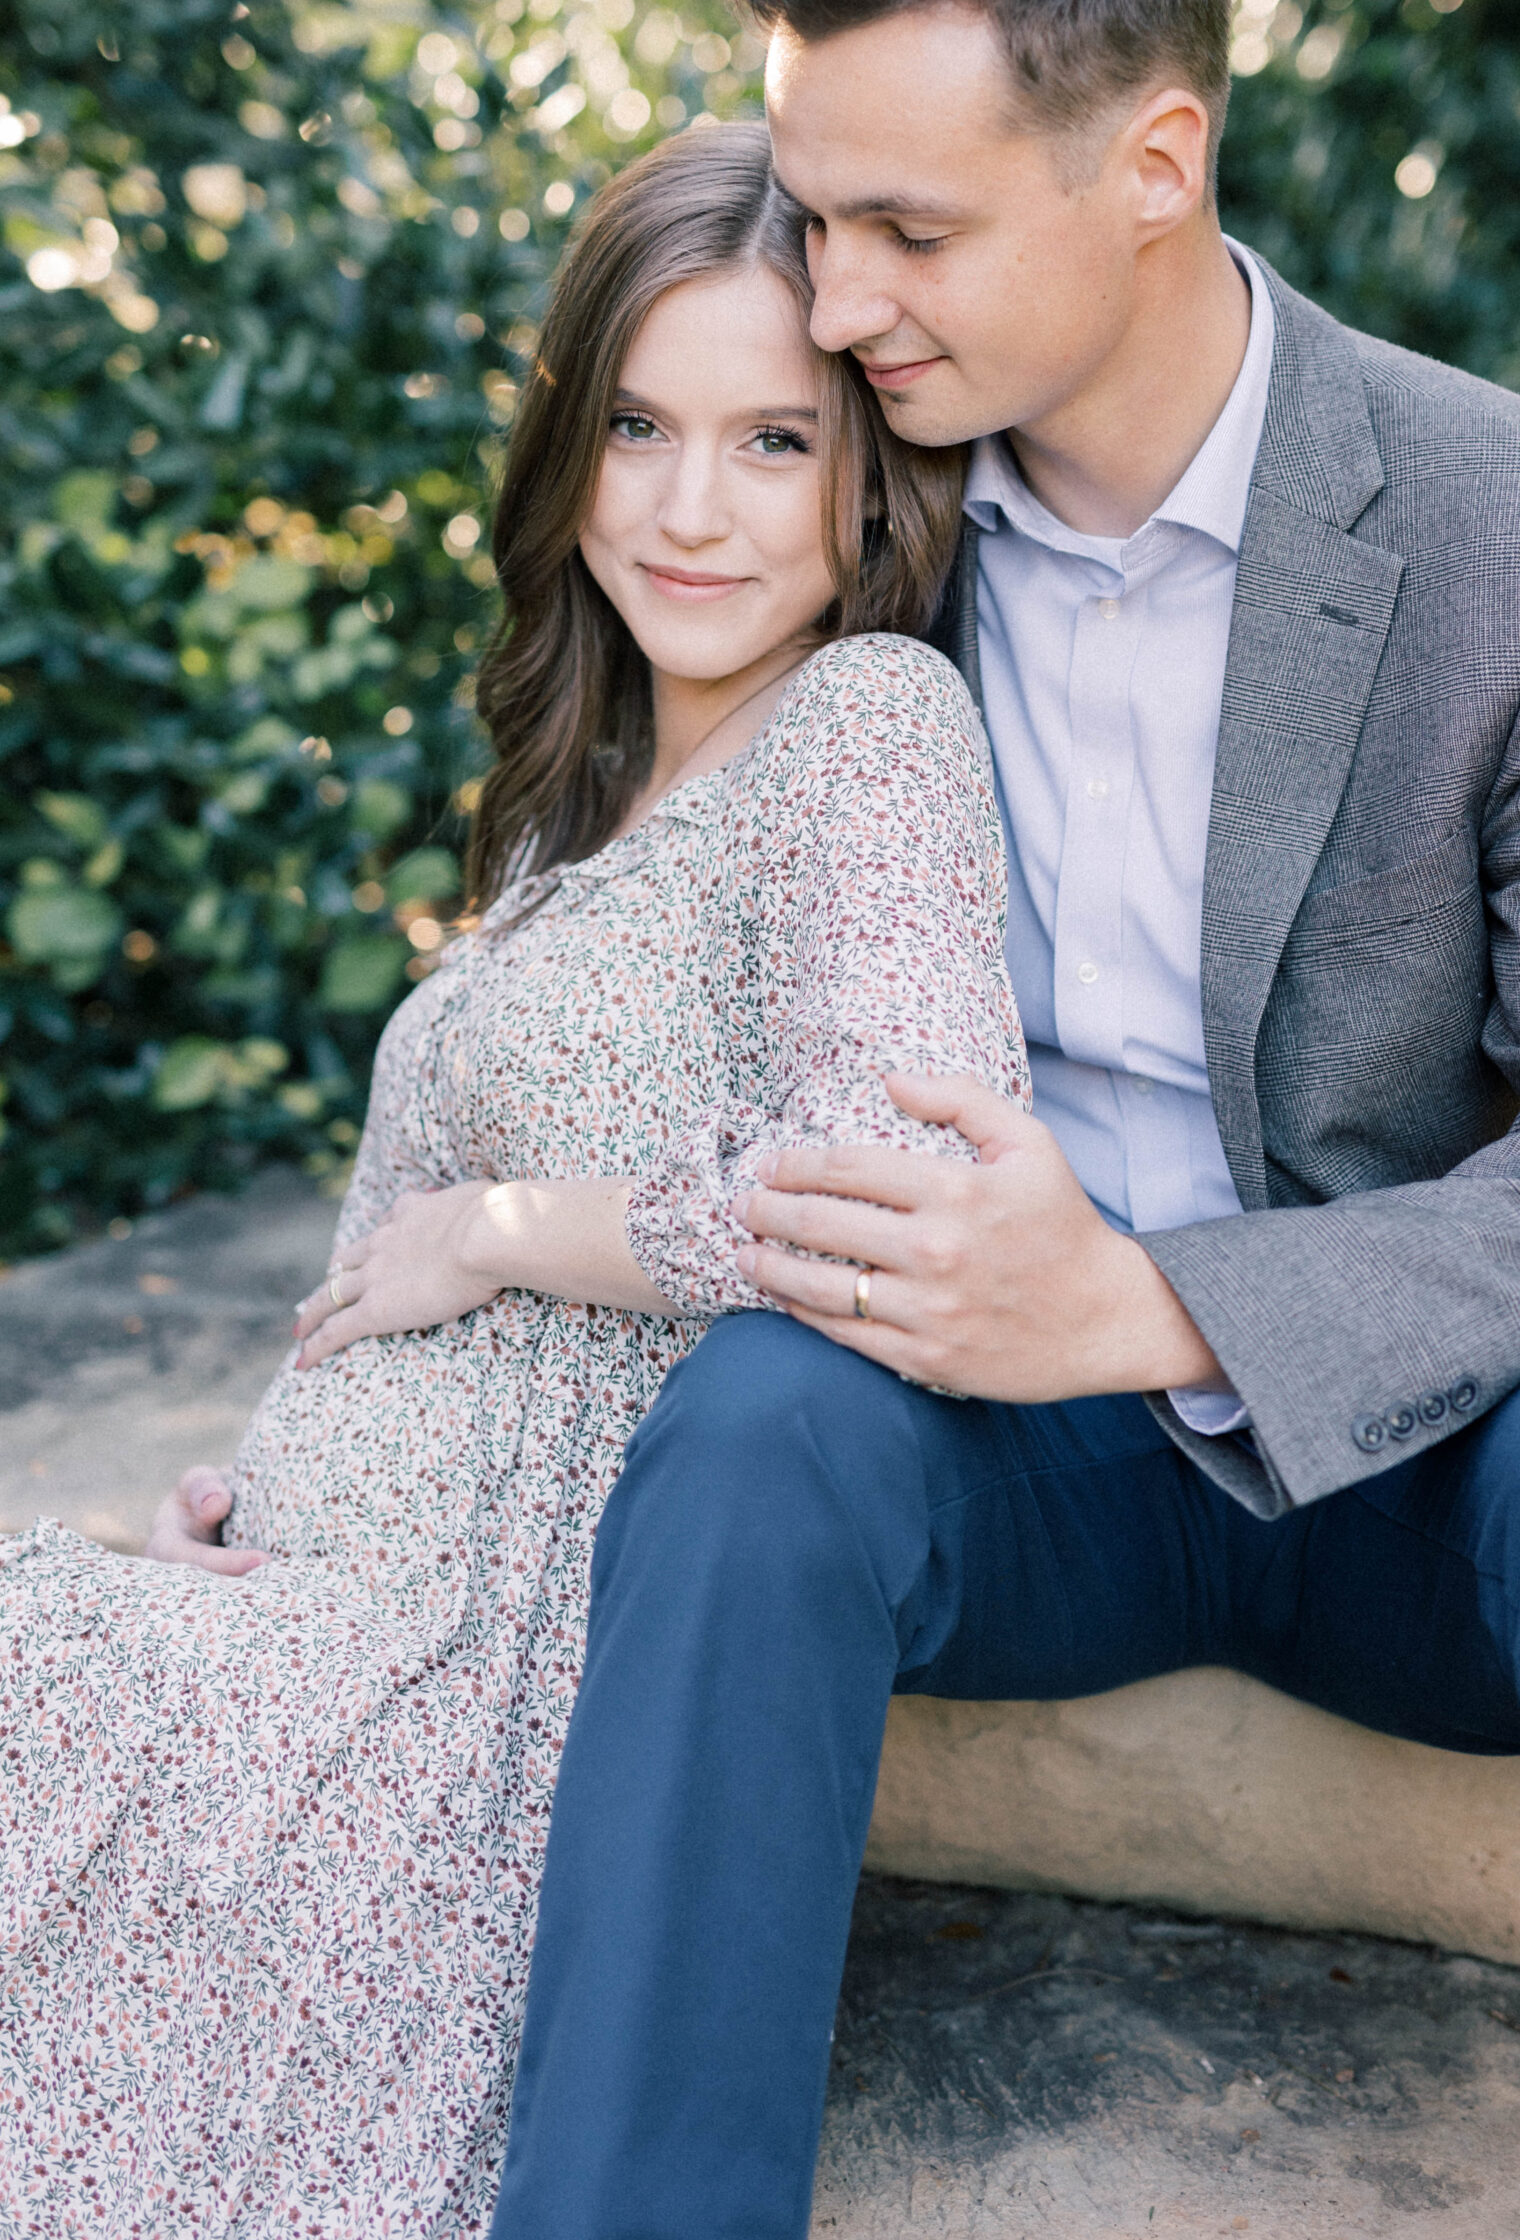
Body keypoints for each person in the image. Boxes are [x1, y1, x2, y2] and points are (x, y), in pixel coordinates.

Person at [468, 0, 1520, 2240]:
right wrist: (353, 1436)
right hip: (995, 1457)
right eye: (813, 218)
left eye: (903, 230)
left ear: (1152, 162)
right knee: (754, 1432)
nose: (828, 301)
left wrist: (1145, 1297)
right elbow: (577, 1007)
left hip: (1426, 1462)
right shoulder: (855, 529)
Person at [0, 119, 1028, 2236]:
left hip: (484, 1683)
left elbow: (904, 1191)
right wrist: (241, 1486)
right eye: (638, 422)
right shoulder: (573, 816)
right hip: (315, 1602)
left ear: (868, 478)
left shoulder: (870, 724)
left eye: (767, 438)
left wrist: (505, 1229)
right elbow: (368, 1282)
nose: (681, 506)